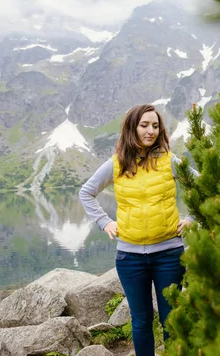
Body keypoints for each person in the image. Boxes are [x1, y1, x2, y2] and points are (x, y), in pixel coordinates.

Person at [79, 104, 195, 356]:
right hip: (130, 258)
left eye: (155, 126)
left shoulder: (169, 161)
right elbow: (86, 192)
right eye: (144, 125)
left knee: (172, 320)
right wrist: (104, 221)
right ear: (132, 127)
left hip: (169, 255)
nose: (151, 131)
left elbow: (202, 185)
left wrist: (192, 218)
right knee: (141, 321)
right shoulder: (117, 163)